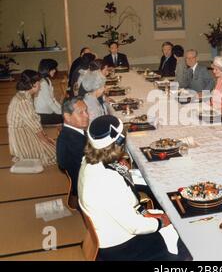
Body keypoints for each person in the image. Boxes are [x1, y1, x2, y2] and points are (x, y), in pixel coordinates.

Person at [78, 115, 182, 260]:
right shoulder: (108, 179)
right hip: (121, 248)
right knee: (182, 238)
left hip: (110, 229)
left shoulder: (88, 162)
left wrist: (145, 212)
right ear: (119, 141)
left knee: (165, 216)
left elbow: (125, 204)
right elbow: (134, 226)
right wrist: (161, 222)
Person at [7, 69, 56, 166]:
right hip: (22, 134)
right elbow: (34, 125)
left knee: (53, 146)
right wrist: (45, 139)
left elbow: (34, 121)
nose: (40, 86)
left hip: (27, 129)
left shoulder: (24, 95)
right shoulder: (23, 101)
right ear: (32, 85)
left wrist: (45, 136)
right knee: (53, 154)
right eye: (39, 83)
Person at [56, 97, 89, 198]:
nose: (87, 115)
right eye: (80, 112)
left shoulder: (71, 132)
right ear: (67, 116)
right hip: (86, 188)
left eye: (86, 111)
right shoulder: (73, 141)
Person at [34, 59, 63, 125]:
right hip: (42, 115)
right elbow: (50, 102)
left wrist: (61, 109)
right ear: (47, 69)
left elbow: (53, 99)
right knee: (67, 117)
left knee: (66, 114)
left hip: (47, 112)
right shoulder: (42, 83)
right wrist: (61, 112)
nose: (55, 70)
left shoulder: (47, 80)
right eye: (52, 69)